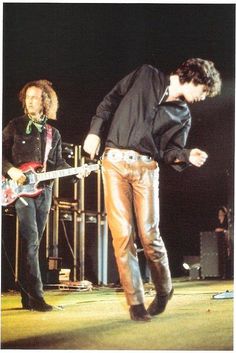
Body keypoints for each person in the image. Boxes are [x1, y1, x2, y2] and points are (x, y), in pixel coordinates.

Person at [83, 58, 222, 321]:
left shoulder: (183, 115)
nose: (203, 97)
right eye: (204, 91)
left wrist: (186, 153)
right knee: (122, 235)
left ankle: (163, 288)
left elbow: (169, 151)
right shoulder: (145, 75)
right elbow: (110, 100)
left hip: (146, 169)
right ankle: (135, 304)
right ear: (194, 79)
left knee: (149, 236)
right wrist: (95, 132)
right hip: (113, 163)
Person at [2, 80, 73, 311]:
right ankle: (38, 299)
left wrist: (76, 173)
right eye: (28, 97)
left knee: (33, 245)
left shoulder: (54, 133)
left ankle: (27, 298)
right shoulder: (15, 125)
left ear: (45, 102)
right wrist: (11, 169)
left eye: (35, 97)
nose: (30, 101)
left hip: (44, 191)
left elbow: (58, 163)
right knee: (31, 241)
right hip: (21, 190)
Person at [215, 206, 230, 279]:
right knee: (220, 257)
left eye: (221, 213)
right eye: (219, 213)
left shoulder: (226, 220)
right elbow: (216, 229)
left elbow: (227, 229)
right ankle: (220, 274)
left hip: (225, 239)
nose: (219, 214)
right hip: (219, 240)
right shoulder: (217, 221)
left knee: (225, 256)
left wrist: (221, 229)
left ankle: (226, 274)